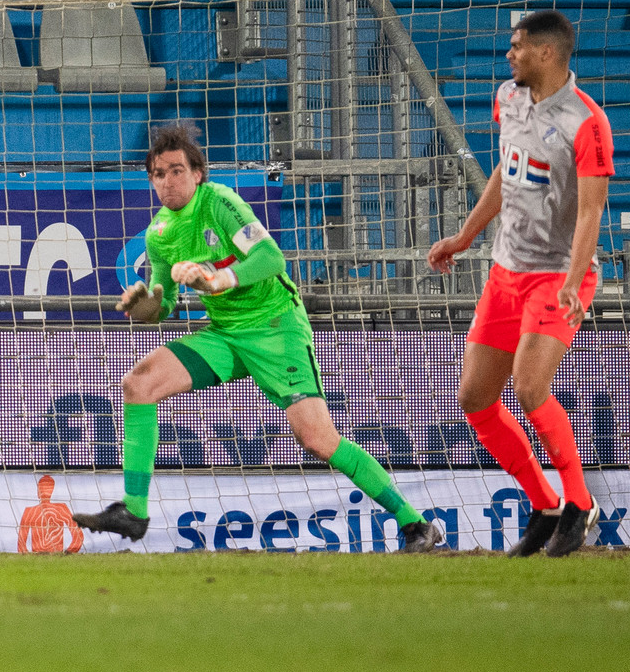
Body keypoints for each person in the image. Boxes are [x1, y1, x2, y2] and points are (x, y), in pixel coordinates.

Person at [72, 125, 441, 553]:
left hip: (275, 328)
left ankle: (416, 524)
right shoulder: (159, 235)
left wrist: (220, 279)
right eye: (158, 174)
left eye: (176, 170)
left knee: (318, 439)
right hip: (226, 335)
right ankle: (134, 511)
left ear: (198, 174)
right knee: (139, 384)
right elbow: (163, 301)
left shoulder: (221, 202)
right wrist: (144, 307)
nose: (167, 181)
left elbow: (270, 257)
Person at [428, 9, 613, 558]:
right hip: (506, 271)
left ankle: (579, 503)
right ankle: (545, 501)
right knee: (474, 398)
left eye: (518, 46)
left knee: (531, 389)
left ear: (548, 53)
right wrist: (464, 236)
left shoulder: (587, 122)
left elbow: (590, 213)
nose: (509, 54)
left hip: (558, 276)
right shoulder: (507, 97)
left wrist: (573, 283)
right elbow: (505, 175)